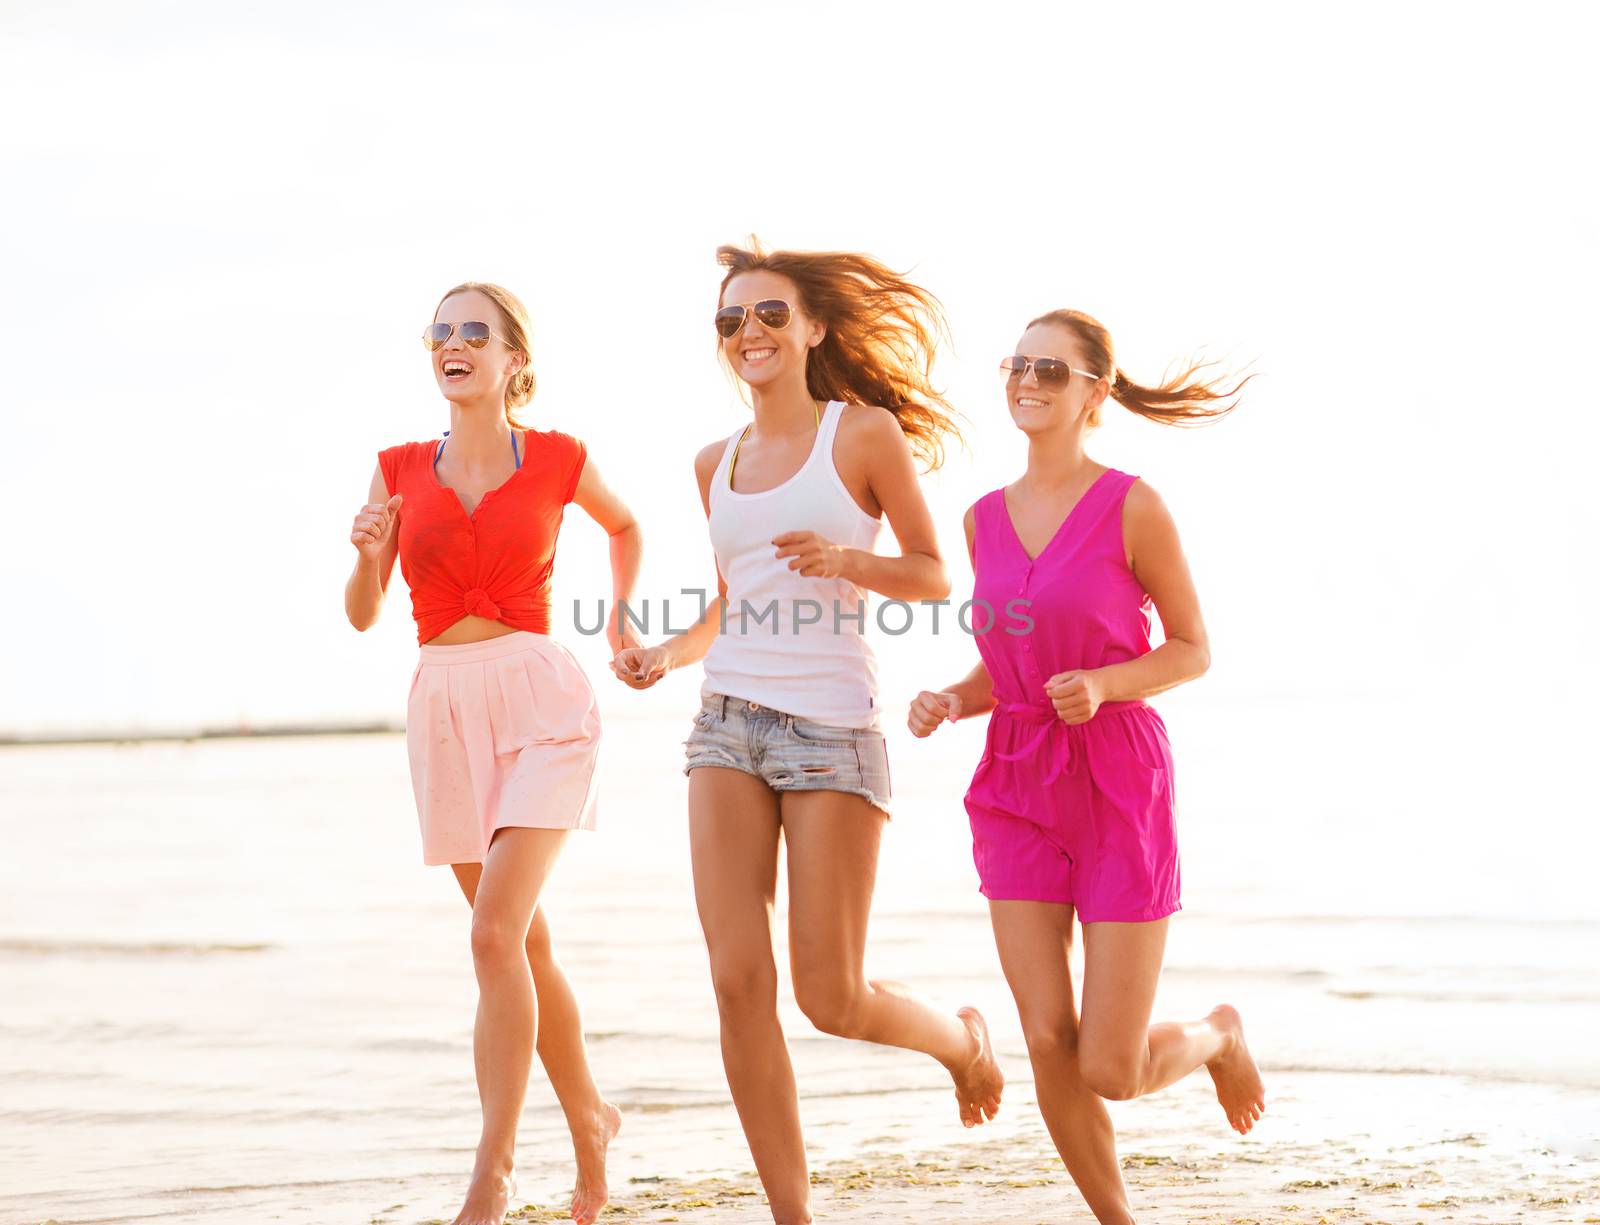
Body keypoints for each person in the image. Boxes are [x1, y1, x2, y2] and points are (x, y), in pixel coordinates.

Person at [613, 242, 1004, 1225]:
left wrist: (844, 559)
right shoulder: (716, 462)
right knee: (738, 981)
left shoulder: (862, 434)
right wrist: (667, 652)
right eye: (732, 319)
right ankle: (794, 1216)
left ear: (814, 327)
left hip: (832, 731)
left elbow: (929, 572)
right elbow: (729, 602)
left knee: (828, 996)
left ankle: (960, 1042)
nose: (749, 333)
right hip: (726, 729)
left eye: (769, 314)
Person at [908, 308, 1265, 1224]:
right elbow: (1012, 656)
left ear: (1094, 391)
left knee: (1109, 1065)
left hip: (1116, 779)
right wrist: (954, 696)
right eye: (1018, 365)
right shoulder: (982, 517)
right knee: (1042, 1035)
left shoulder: (1133, 503)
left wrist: (1106, 685)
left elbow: (1191, 648)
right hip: (1015, 777)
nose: (1028, 381)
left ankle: (1220, 1035)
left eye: (1052, 371)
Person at [344, 281, 640, 1225]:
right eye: (442, 332)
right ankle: (590, 1119)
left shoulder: (556, 457)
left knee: (491, 934)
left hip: (541, 701)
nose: (454, 344)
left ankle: (494, 1170)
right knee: (522, 939)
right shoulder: (395, 469)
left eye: (477, 332)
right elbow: (363, 615)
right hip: (443, 705)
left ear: (516, 360)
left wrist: (626, 614)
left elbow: (626, 524)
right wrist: (364, 553)